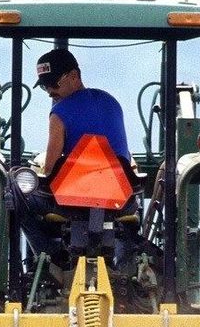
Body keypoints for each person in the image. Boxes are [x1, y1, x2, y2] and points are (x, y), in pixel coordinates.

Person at [9, 48, 132, 267]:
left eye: (53, 84)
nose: (49, 91)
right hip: (120, 199)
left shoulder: (59, 114)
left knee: (15, 194)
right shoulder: (112, 103)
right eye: (45, 86)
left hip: (73, 202)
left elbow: (49, 169)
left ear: (74, 75)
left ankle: (49, 256)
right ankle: (125, 257)